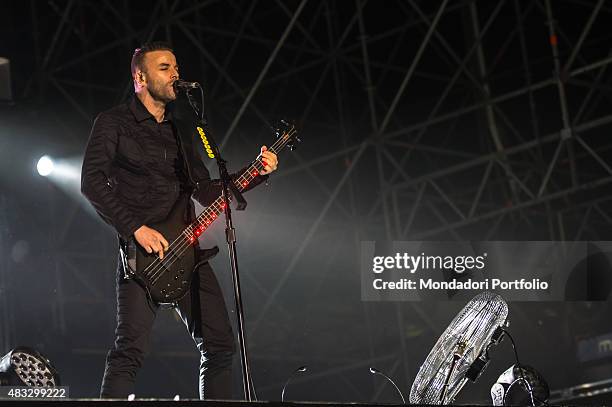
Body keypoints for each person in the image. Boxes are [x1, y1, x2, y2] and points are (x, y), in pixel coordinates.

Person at [80, 41, 278, 399]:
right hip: (141, 257)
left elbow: (204, 190)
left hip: (187, 252)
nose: (176, 74)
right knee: (130, 352)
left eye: (176, 67)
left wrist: (257, 172)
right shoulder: (113, 123)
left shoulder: (181, 128)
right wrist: (135, 228)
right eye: (165, 67)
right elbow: (91, 182)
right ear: (140, 77)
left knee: (220, 347)